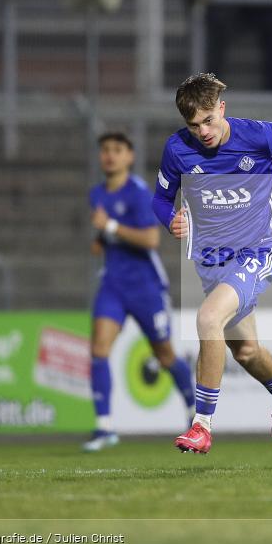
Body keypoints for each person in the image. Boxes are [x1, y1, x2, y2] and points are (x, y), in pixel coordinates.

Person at [152, 73, 272, 454]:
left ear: (222, 109)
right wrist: (170, 219)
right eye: (194, 125)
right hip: (211, 264)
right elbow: (160, 200)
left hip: (255, 253)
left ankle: (201, 426)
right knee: (245, 351)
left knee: (208, 319)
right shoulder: (177, 149)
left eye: (209, 120)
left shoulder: (258, 135)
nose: (203, 131)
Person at [85, 132, 195, 452]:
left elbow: (151, 239)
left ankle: (194, 412)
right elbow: (107, 232)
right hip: (113, 284)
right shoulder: (97, 194)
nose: (110, 155)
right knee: (99, 348)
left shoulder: (138, 192)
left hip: (146, 286)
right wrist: (101, 239)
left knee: (165, 355)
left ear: (129, 157)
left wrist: (109, 227)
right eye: (105, 150)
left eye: (117, 150)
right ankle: (105, 427)